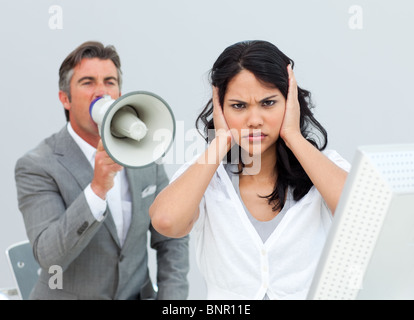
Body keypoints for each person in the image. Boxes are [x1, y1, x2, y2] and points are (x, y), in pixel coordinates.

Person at [150, 40, 351, 300]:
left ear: (290, 103)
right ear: (220, 108)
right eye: (238, 106)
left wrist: (292, 136)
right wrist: (221, 140)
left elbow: (361, 214)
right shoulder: (205, 174)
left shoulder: (323, 166)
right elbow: (166, 222)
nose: (254, 120)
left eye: (268, 103)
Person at [14, 41, 189, 300]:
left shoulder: (144, 154)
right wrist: (97, 190)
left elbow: (172, 238)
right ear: (65, 98)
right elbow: (49, 257)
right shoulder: (38, 165)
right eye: (87, 82)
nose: (102, 92)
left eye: (110, 81)